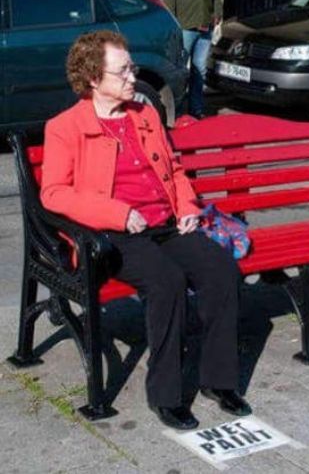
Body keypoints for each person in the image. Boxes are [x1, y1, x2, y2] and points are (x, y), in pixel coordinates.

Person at [40, 30, 251, 430]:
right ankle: (166, 396)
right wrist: (117, 213)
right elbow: (53, 194)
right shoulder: (65, 127)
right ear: (93, 78)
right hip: (114, 236)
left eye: (131, 68)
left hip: (166, 225)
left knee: (220, 269)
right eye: (122, 71)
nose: (132, 77)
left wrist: (186, 207)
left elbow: (174, 168)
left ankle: (219, 381)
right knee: (166, 282)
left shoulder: (144, 114)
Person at [163, 0, 222, 119]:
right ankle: (174, 112)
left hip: (205, 27)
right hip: (184, 26)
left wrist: (217, 14)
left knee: (200, 70)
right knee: (178, 70)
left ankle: (196, 110)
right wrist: (172, 23)